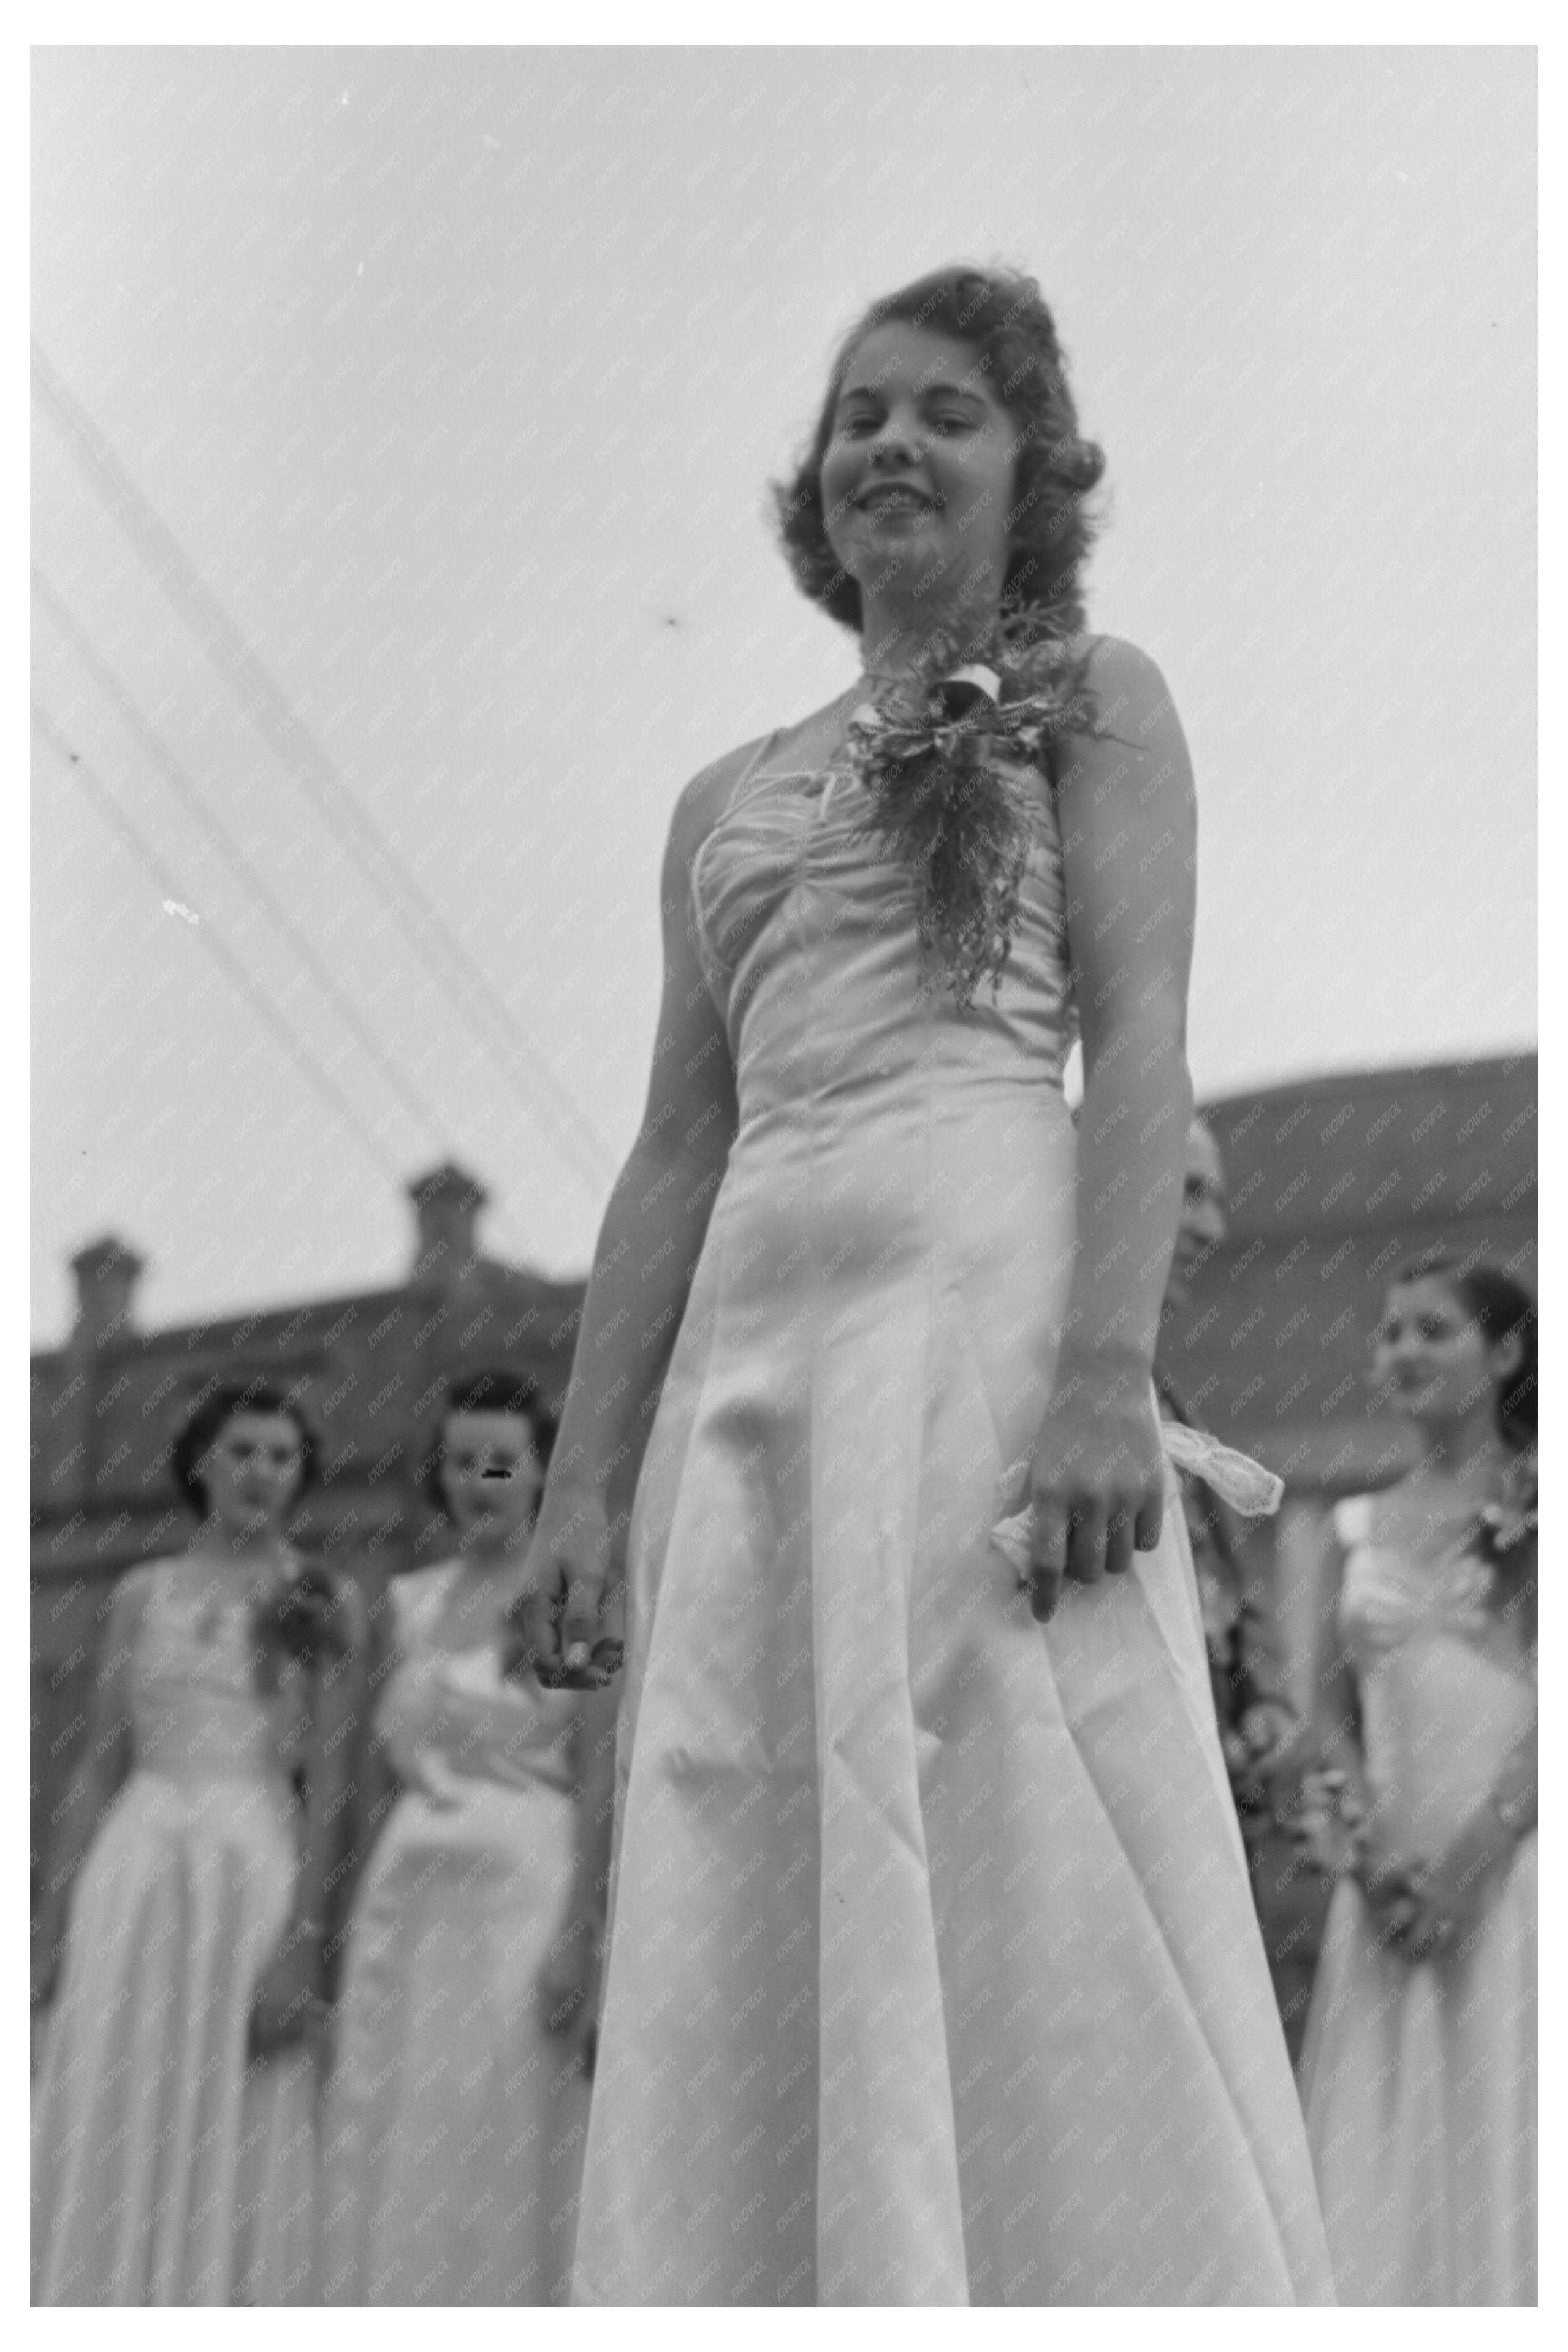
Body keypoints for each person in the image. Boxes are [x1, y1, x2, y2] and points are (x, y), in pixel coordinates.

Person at [515, 264, 1334, 2306]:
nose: (889, 440)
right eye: (858, 410)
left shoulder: (1090, 694)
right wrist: (580, 1481)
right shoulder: (720, 798)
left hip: (978, 1314)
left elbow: (1136, 1034)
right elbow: (674, 1147)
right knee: (750, 1829)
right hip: (758, 1367)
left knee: (1020, 1825)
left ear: (1028, 467)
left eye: (948, 411)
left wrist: (1097, 1374)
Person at [31, 1380, 360, 2305]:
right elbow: (98, 1763)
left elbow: (331, 1782)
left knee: (232, 2098)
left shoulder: (321, 1595)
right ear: (203, 1463)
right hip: (134, 1865)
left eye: (283, 1456)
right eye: (244, 1451)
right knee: (116, 2083)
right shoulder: (141, 1593)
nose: (262, 1472)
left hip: (247, 1863)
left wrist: (305, 1942)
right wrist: (50, 1919)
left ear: (302, 1477)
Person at [319, 1371, 614, 2305]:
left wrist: (582, 1931)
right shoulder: (405, 1604)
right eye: (458, 1463)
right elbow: (368, 1784)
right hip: (403, 1903)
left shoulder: (572, 1597)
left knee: (503, 2129)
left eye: (500, 1461)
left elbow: (603, 1766)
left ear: (539, 1472)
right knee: (394, 2121)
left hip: (521, 1893)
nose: (478, 1481)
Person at [1295, 1252, 1537, 2304]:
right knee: (1377, 2160)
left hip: (1517, 1877)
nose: (1401, 1350)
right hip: (1386, 1892)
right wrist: (1377, 1858)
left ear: (1506, 1353)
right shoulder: (1348, 1522)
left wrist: (1469, 1864)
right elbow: (1326, 1712)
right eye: (1389, 1331)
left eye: (1432, 1329)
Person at [1156, 1116, 1326, 2061]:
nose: (1213, 1228)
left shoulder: (1168, 1398)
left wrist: (1258, 1697)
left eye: (1216, 1196)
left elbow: (1226, 1593)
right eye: (1187, 1191)